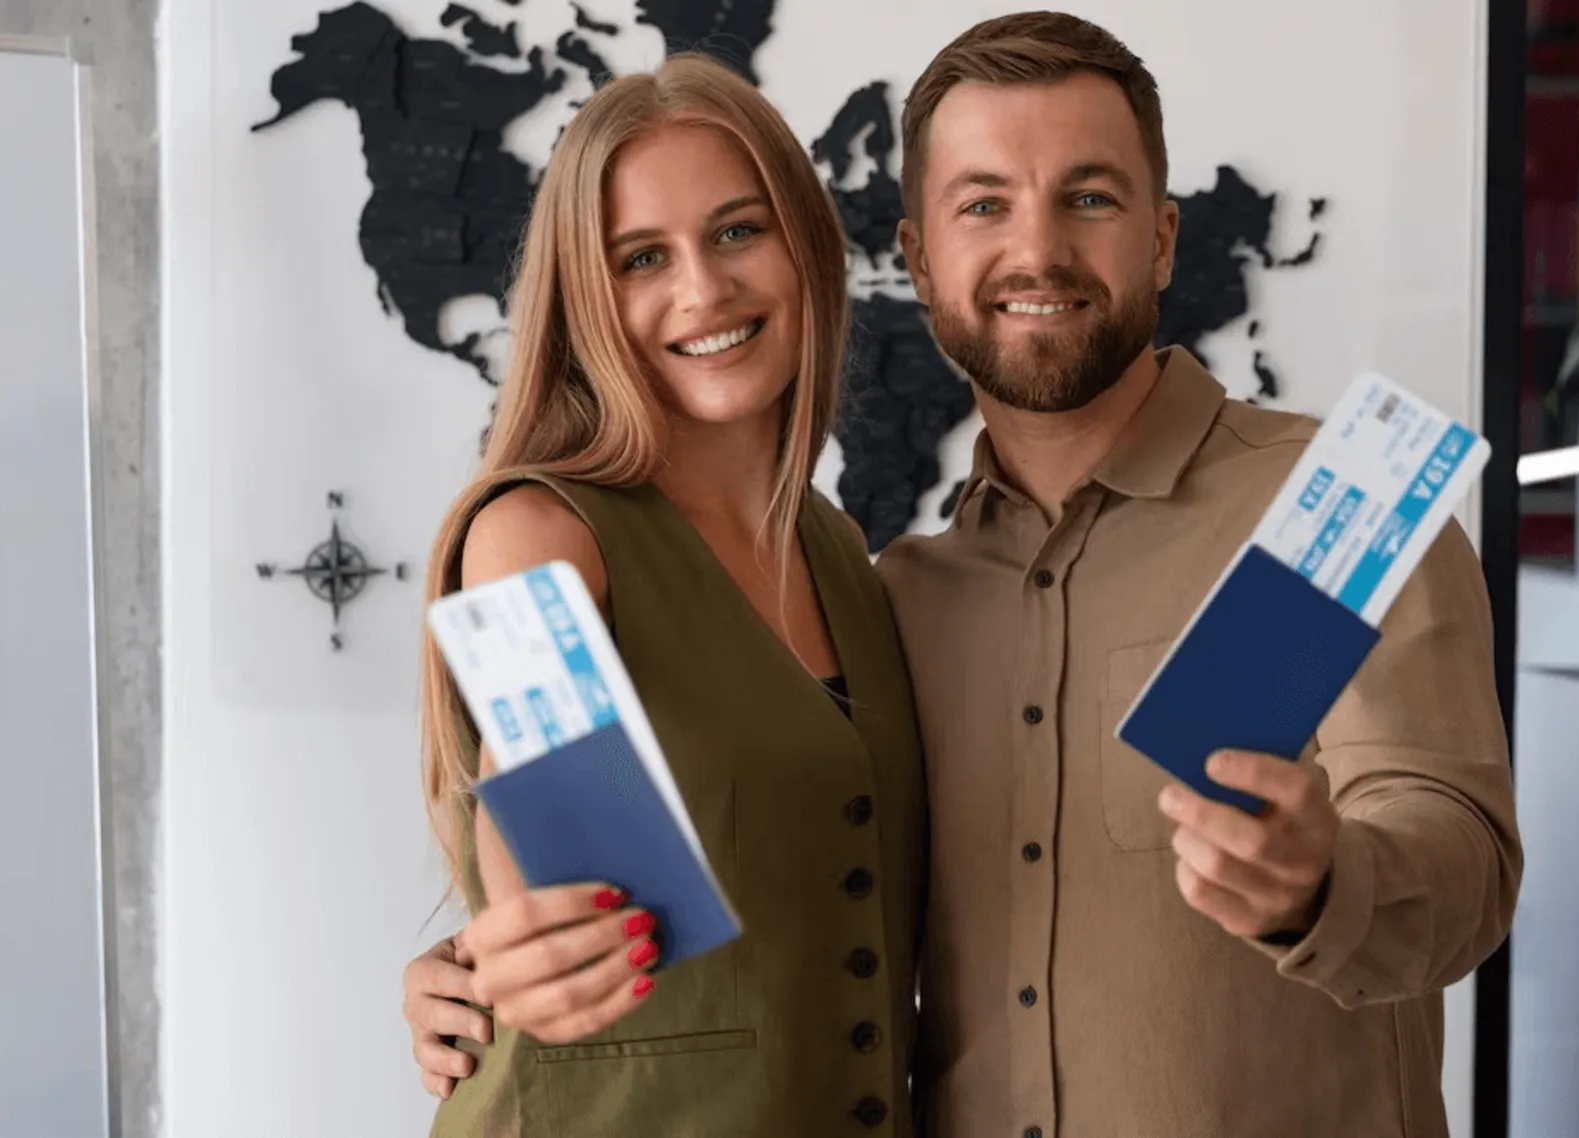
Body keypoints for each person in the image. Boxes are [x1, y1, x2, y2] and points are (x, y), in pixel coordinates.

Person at [406, 13, 1522, 1137]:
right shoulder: (903, 591)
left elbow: (1455, 852)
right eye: (984, 204)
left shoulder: (1327, 509)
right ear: (921, 256)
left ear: (1166, 239)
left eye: (1089, 197)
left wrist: (1324, 881)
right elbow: (584, 819)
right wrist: (494, 952)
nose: (1035, 251)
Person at [411, 51, 927, 1136]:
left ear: (806, 247)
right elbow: (537, 824)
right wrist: (518, 941)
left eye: (738, 230)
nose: (704, 288)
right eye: (642, 257)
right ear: (588, 296)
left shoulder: (838, 551)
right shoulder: (535, 535)